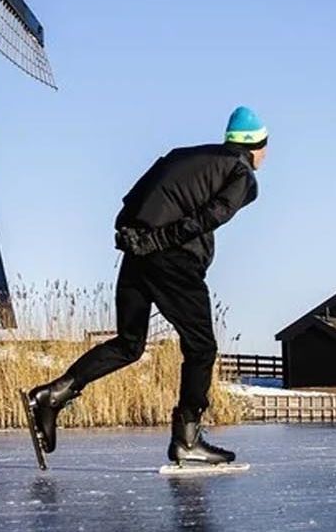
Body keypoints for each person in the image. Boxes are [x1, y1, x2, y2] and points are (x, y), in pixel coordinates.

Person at [25, 107, 268, 467]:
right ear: (255, 145)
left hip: (137, 253)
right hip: (172, 259)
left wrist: (135, 238)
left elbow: (132, 199)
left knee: (129, 343)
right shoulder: (241, 172)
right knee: (202, 348)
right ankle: (187, 438)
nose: (266, 155)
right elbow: (212, 215)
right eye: (265, 146)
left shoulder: (182, 156)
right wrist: (162, 241)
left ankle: (54, 394)